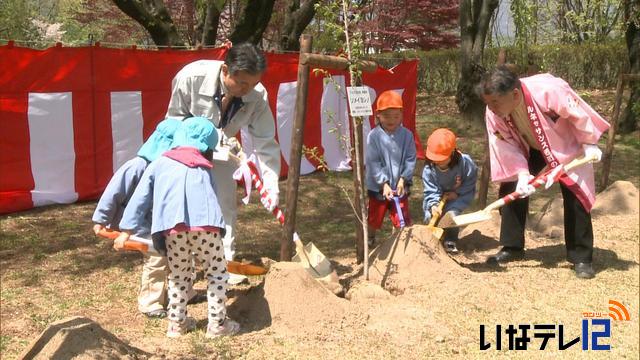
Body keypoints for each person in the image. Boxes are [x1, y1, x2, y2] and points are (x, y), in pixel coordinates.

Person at [479, 65, 610, 279]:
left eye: (495, 102)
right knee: (511, 188)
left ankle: (581, 257)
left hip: (567, 144)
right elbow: (505, 145)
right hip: (529, 146)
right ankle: (512, 247)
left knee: (575, 194)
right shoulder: (493, 112)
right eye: (488, 102)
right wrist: (521, 174)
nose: (491, 108)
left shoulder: (548, 90)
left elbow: (577, 113)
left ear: (514, 94)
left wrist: (589, 141)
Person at [166, 43, 281, 285]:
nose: (247, 90)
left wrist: (271, 185)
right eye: (242, 83)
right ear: (226, 70)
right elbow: (173, 123)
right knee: (182, 213)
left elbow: (265, 142)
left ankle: (223, 266)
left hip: (224, 156)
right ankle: (181, 268)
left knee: (225, 208)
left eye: (252, 84)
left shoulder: (256, 95)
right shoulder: (190, 77)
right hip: (185, 153)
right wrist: (208, 138)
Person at [116, 117, 239, 338]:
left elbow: (140, 198)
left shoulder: (158, 163)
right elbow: (213, 198)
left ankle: (176, 325)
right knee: (216, 274)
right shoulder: (204, 165)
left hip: (173, 230)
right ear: (206, 147)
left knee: (178, 276)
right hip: (206, 228)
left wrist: (126, 231)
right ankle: (218, 325)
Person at [92, 118, 182, 319]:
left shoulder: (171, 171)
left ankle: (183, 292)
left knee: (178, 255)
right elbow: (113, 193)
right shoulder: (136, 166)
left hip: (161, 224)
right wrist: (101, 219)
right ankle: (151, 302)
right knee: (157, 259)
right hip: (136, 225)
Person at [365, 90, 417, 247]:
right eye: (386, 116)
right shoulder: (374, 136)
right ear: (378, 115)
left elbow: (410, 158)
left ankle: (399, 243)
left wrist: (403, 179)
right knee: (375, 216)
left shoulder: (407, 135)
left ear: (401, 115)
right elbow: (373, 162)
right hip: (379, 187)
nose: (391, 120)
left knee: (401, 217)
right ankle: (370, 238)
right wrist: (383, 184)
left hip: (400, 185)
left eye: (396, 116)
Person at [422, 128, 477, 254]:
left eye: (442, 158)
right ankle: (433, 240)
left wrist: (458, 193)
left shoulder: (465, 163)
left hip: (458, 195)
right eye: (435, 158)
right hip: (438, 196)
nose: (438, 161)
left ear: (452, 153)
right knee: (432, 216)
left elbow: (470, 181)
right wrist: (433, 205)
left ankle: (450, 240)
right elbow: (431, 190)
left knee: (452, 215)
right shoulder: (429, 169)